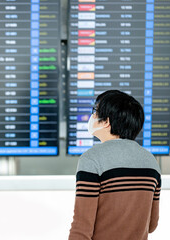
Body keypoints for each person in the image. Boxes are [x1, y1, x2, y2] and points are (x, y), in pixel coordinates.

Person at [68, 90, 161, 240]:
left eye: (95, 112)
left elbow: (82, 228)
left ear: (106, 121)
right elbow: (152, 225)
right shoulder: (151, 161)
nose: (92, 117)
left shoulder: (92, 159)